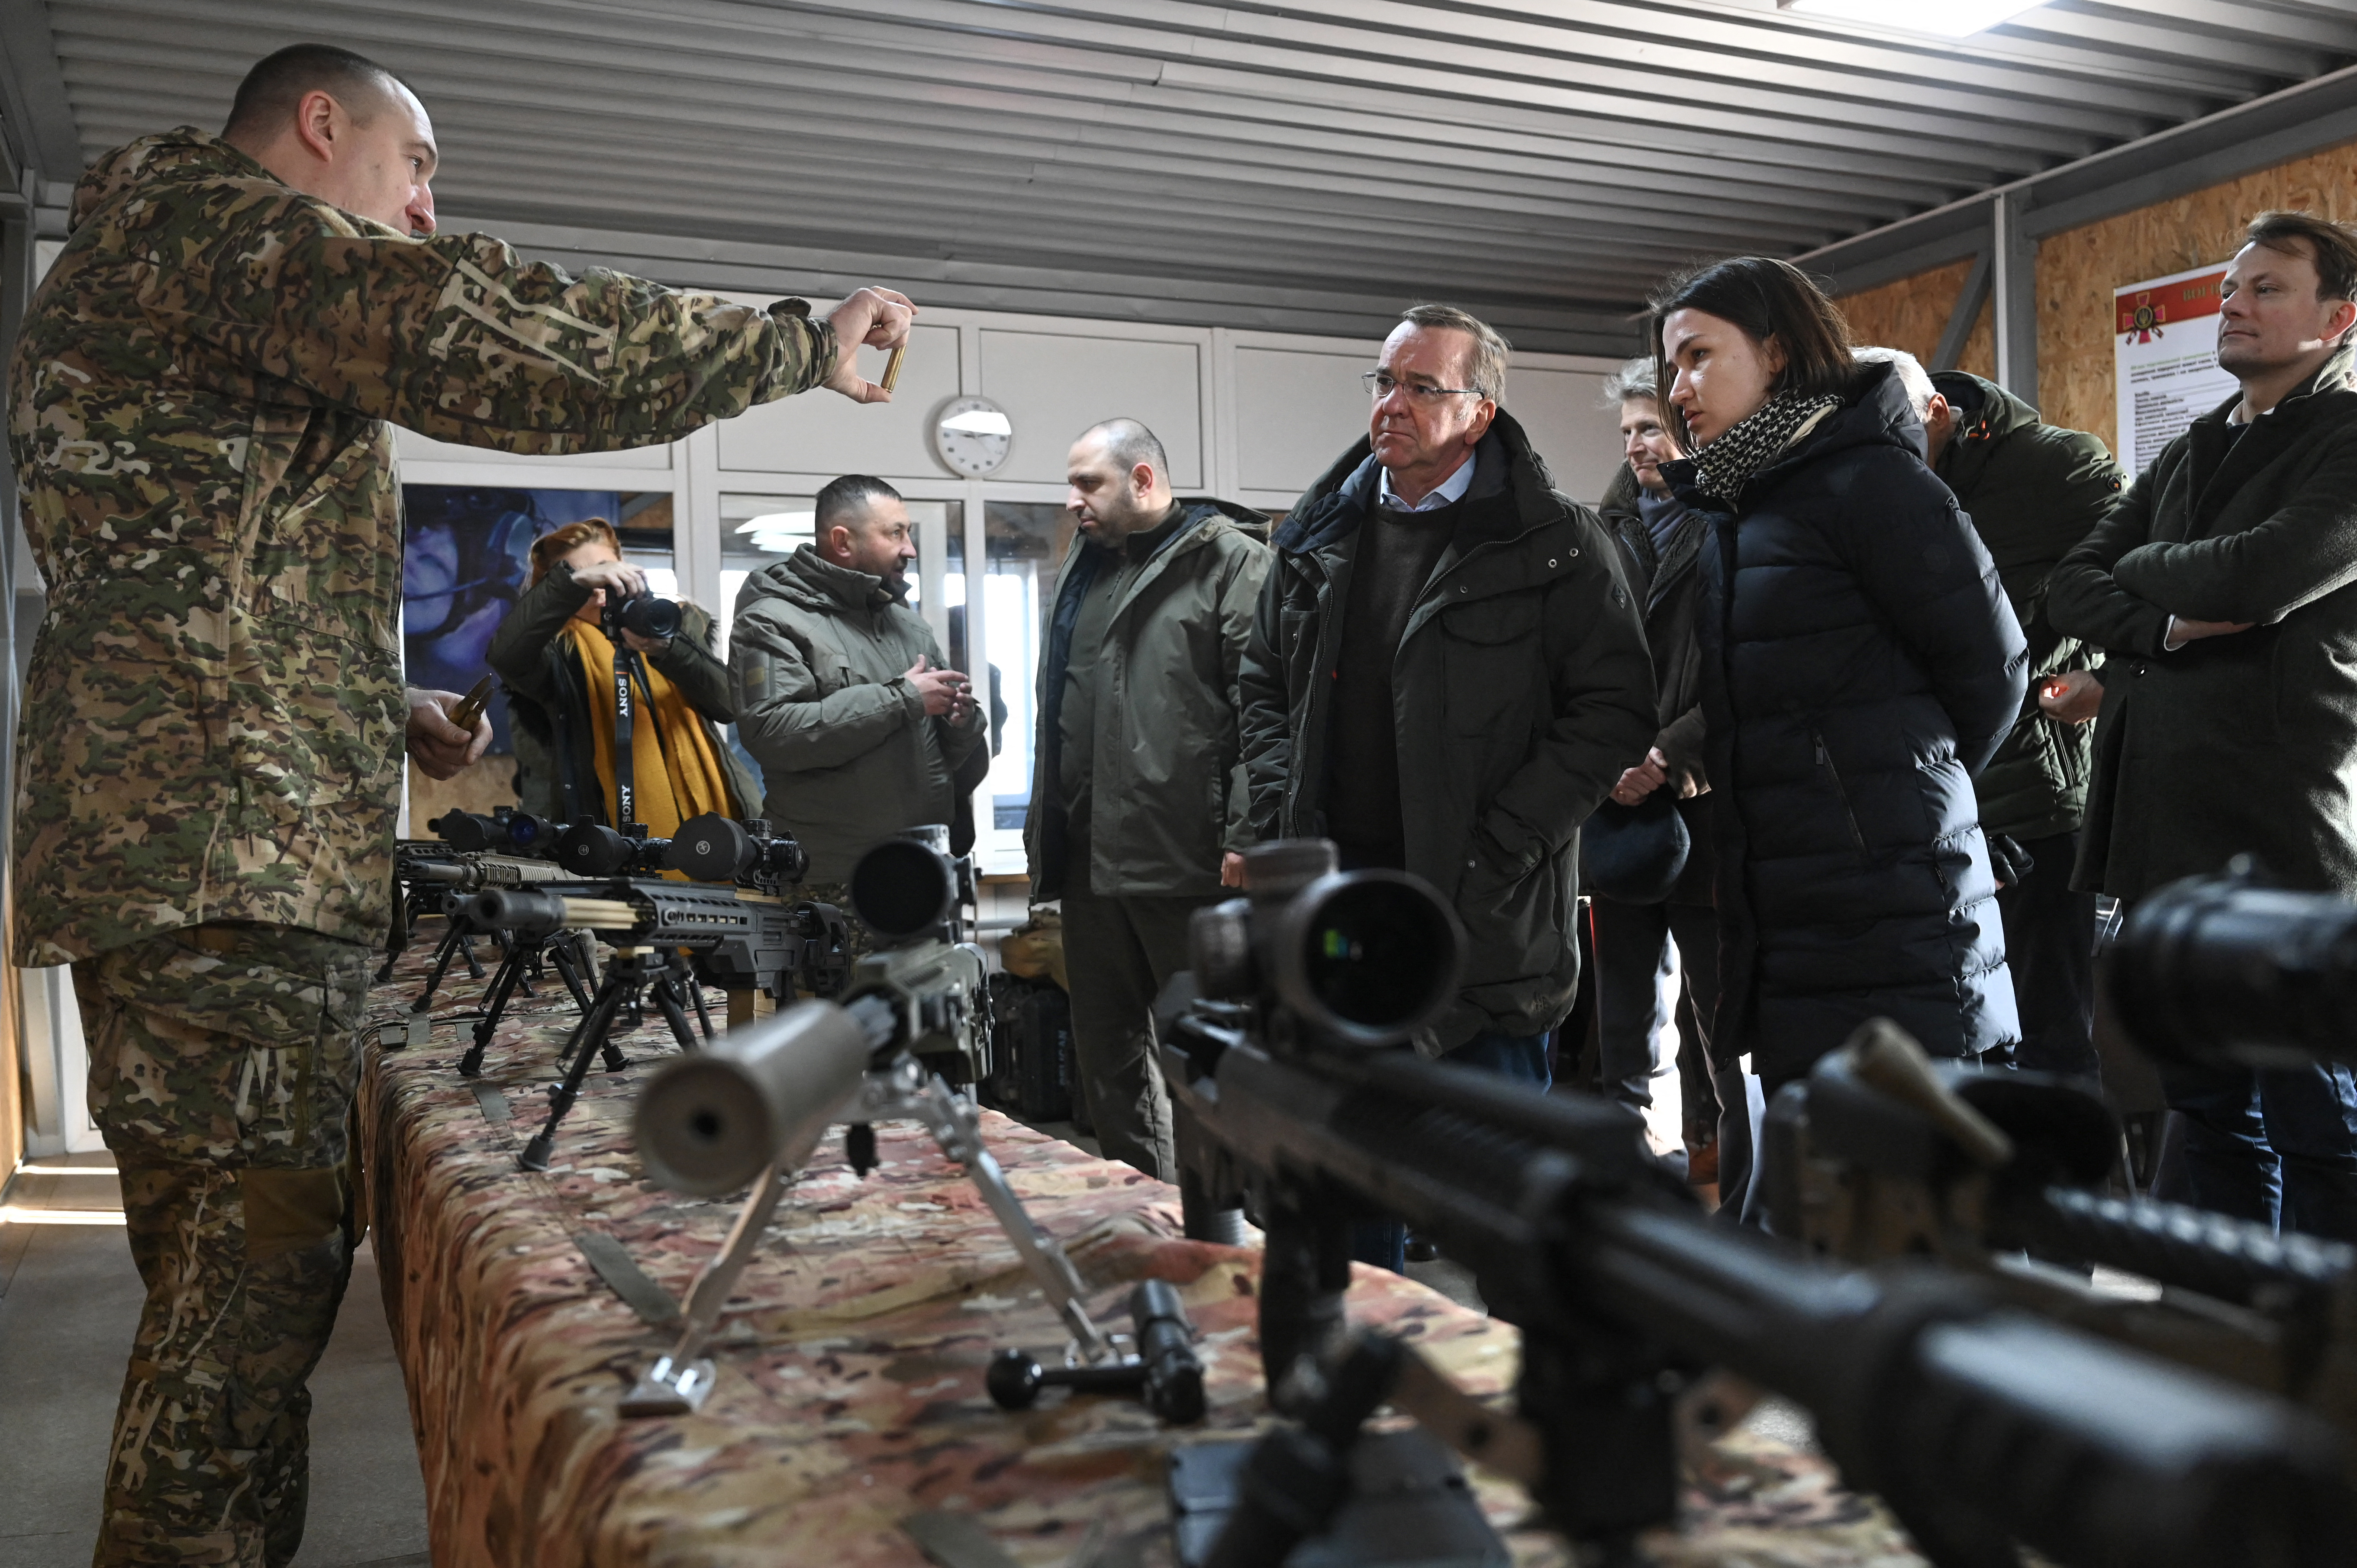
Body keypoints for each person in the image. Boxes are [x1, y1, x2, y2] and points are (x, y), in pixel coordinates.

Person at [6, 43, 912, 1567]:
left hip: (198, 840)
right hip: (225, 864)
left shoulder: (155, 264)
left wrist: (377, 707)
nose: (425, 208)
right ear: (317, 127)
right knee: (241, 1319)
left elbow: (190, 592)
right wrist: (783, 347)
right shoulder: (216, 233)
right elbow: (483, 334)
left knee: (227, 1300)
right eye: (414, 167)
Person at [1237, 303, 1657, 1269]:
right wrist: (1276, 812)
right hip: (1338, 931)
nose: (1390, 404)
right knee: (1343, 1204)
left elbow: (1613, 713)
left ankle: (1512, 1407)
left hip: (1485, 931)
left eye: (1421, 387)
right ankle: (1367, 1403)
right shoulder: (1315, 543)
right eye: (1383, 383)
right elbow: (1261, 686)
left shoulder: (1557, 546)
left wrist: (1502, 842)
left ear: (1478, 410)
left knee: (1500, 1225)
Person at [1651, 259, 2025, 1115]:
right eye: (1670, 366)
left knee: (1920, 1208)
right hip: (1789, 912)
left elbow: (1993, 671)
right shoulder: (1736, 509)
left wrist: (1889, 794)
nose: (1678, 388)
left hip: (1895, 909)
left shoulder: (1874, 483)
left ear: (1776, 353)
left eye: (1698, 357)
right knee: (1826, 1209)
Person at [2049, 209, 2357, 1241]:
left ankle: (2327, 1366)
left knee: (2319, 1121)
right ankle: (2231, 1328)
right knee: (2208, 1110)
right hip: (2159, 830)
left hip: (2278, 830)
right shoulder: (2187, 448)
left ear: (2335, 317)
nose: (2232, 305)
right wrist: (2178, 612)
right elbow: (2067, 586)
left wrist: (2140, 581)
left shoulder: (2348, 439)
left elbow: (2263, 574)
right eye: (2228, 289)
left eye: (2266, 287)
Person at [1855, 347, 2124, 1079]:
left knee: (2050, 1033)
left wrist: (2095, 680)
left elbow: (2138, 583)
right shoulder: (1863, 487)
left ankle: (2069, 1193)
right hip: (1914, 798)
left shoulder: (2053, 469)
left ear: (1938, 413)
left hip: (2030, 798)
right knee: (1946, 1035)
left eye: (1897, 440)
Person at [1024, 418, 1270, 1180]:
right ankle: (1144, 1212)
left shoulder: (1235, 563)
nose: (1072, 502)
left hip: (1188, 860)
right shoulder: (1082, 568)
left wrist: (1247, 833)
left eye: (1087, 483)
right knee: (1108, 1060)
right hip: (1090, 862)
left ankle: (1238, 1230)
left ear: (1143, 480)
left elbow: (1266, 710)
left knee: (1213, 1058)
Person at [1593, 359, 1751, 1209]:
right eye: (1625, 433)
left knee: (1713, 998)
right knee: (1623, 998)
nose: (1636, 445)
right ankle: (1629, 1158)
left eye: (1649, 427)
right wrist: (1612, 758)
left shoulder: (1728, 517)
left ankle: (1718, 1157)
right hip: (1619, 802)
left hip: (1705, 794)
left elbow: (1744, 660)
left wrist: (1671, 751)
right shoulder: (1599, 531)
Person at [731, 474, 985, 937]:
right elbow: (774, 734)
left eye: (908, 532)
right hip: (837, 884)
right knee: (845, 1012)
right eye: (895, 533)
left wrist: (961, 720)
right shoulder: (771, 620)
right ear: (843, 541)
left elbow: (949, 754)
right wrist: (903, 698)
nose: (910, 548)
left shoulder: (910, 627)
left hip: (927, 871)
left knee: (934, 1009)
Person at [488, 518, 759, 834]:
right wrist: (574, 583)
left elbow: (728, 704)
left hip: (715, 829)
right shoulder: (554, 651)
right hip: (601, 840)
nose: (601, 590)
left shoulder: (673, 627)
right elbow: (505, 655)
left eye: (607, 571)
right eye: (589, 582)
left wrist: (669, 649)